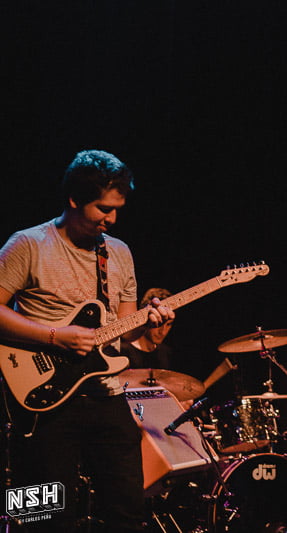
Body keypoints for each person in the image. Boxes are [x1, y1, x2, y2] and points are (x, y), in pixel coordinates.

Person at [0, 149, 174, 532]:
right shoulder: (28, 244)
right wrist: (55, 336)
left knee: (128, 513)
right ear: (74, 200)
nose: (111, 219)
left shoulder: (119, 253)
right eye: (103, 209)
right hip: (43, 401)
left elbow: (125, 329)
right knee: (46, 519)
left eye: (117, 210)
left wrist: (148, 322)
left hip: (106, 395)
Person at [120, 288, 175, 370]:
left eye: (168, 324)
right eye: (159, 323)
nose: (163, 332)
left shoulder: (166, 353)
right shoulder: (122, 350)